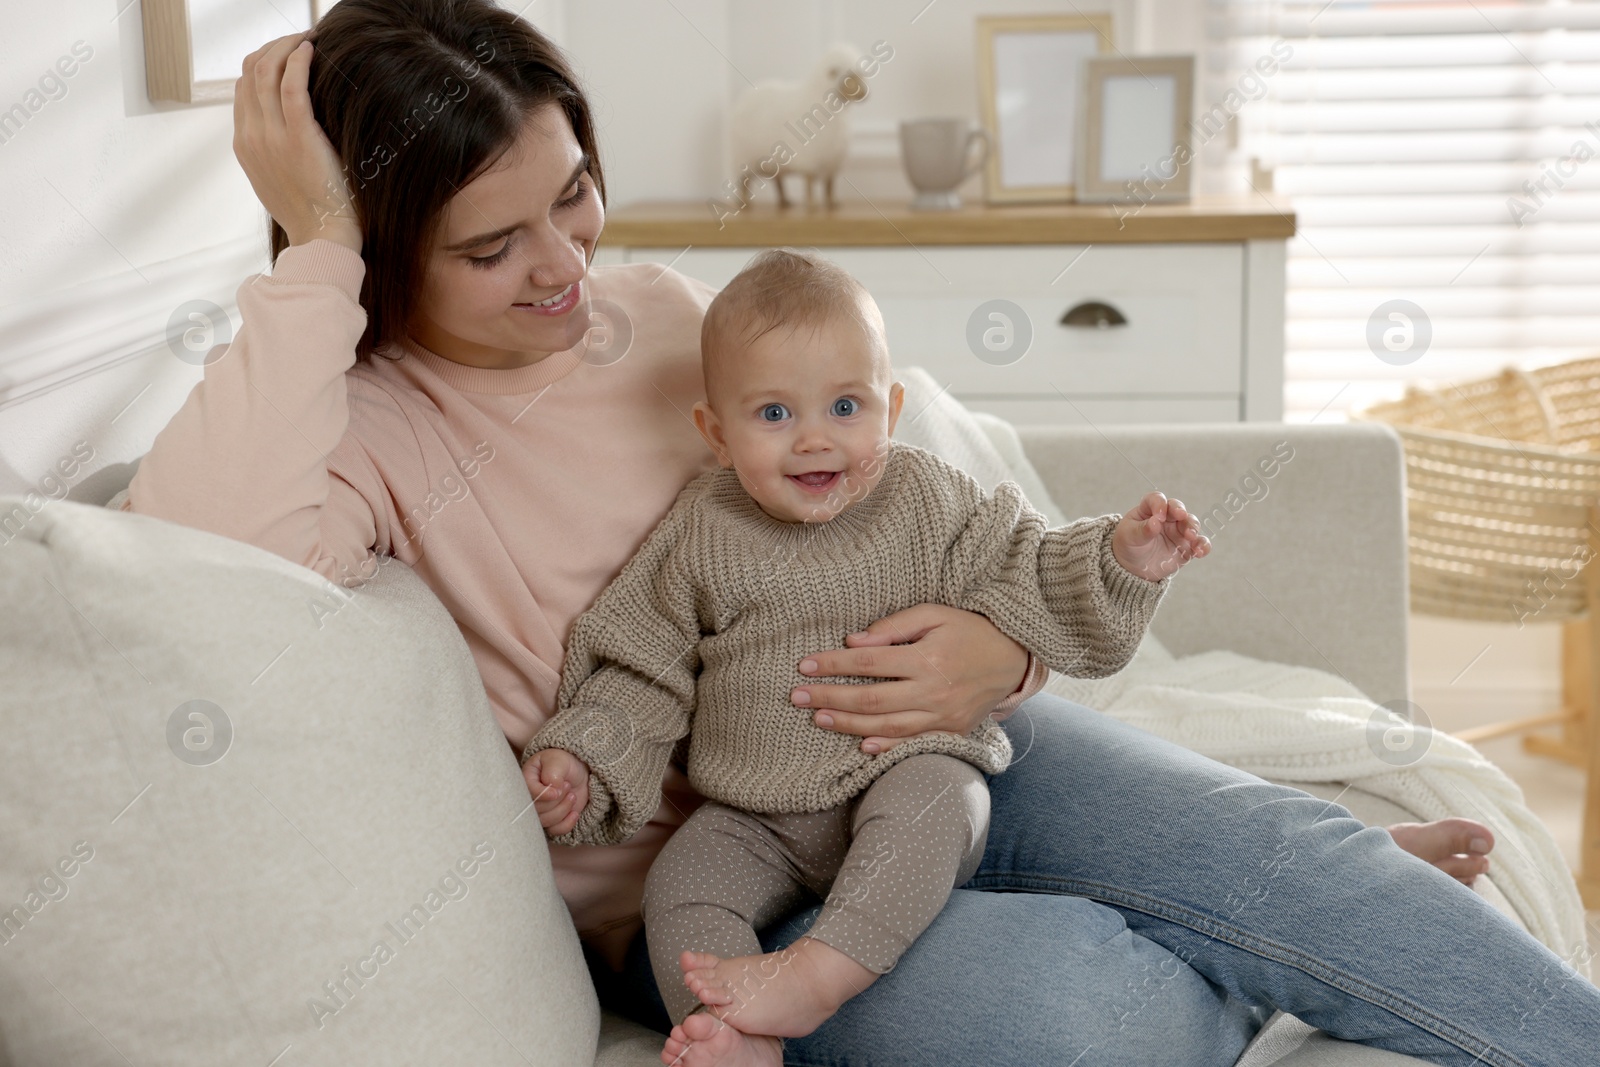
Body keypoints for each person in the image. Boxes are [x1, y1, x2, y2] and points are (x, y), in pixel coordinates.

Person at [124, 2, 1598, 1064]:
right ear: (384, 256)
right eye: (494, 246)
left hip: (937, 759)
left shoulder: (659, 315)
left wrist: (999, 650)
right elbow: (194, 553)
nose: (566, 265)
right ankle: (1245, 916)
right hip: (724, 877)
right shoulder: (362, 423)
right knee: (1090, 1009)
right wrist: (313, 249)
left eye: (572, 196)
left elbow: (892, 505)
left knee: (1281, 856)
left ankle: (1293, 903)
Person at [522, 247, 1208, 1065]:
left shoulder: (926, 497)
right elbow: (642, 662)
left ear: (891, 410)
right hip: (754, 817)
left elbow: (1027, 565)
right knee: (680, 887)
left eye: (846, 405)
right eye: (773, 415)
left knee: (947, 801)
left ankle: (825, 970)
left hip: (901, 775)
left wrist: (1120, 558)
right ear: (716, 432)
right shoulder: (702, 532)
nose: (815, 439)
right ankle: (737, 1039)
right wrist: (584, 754)